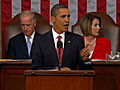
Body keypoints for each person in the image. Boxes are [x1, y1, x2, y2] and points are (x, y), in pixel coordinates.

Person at [32, 4, 92, 71]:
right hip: (48, 80)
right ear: (53, 19)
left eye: (68, 16)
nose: (67, 20)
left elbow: (85, 71)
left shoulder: (77, 40)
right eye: (63, 16)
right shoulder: (40, 41)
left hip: (71, 80)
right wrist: (57, 70)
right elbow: (36, 68)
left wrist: (85, 61)